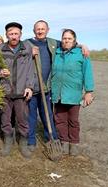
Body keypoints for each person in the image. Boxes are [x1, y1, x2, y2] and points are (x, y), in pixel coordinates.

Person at [24, 20, 90, 152]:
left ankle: (52, 138)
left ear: (48, 30)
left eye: (43, 29)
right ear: (33, 30)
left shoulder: (54, 43)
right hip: (31, 87)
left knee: (47, 114)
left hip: (47, 88)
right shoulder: (26, 43)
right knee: (31, 116)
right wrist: (28, 53)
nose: (40, 31)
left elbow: (70, 44)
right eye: (38, 29)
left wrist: (82, 45)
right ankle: (31, 141)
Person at [0, 22, 36, 159]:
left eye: (16, 34)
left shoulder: (27, 48)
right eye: (11, 34)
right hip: (5, 91)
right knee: (5, 118)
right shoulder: (0, 49)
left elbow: (31, 70)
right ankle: (8, 142)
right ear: (6, 34)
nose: (14, 36)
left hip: (21, 92)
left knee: (22, 119)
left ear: (20, 34)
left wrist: (30, 87)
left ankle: (23, 144)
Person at [51, 29, 94, 156]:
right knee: (60, 120)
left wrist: (89, 92)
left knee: (73, 120)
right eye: (64, 38)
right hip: (58, 92)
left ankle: (73, 143)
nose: (66, 40)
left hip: (73, 93)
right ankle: (64, 141)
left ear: (74, 40)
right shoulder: (57, 52)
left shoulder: (81, 53)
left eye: (69, 38)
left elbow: (88, 73)